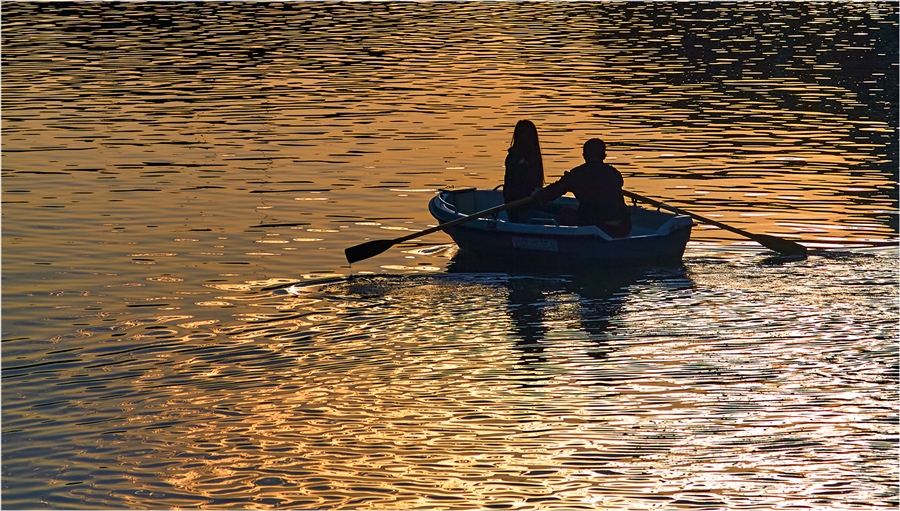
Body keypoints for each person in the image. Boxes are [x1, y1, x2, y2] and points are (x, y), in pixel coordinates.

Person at [533, 138, 631, 238]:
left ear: (584, 156)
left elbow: (554, 191)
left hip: (598, 227)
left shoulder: (577, 175)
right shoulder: (614, 173)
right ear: (604, 156)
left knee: (566, 212)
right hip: (623, 227)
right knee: (572, 208)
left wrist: (539, 194)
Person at [503, 120, 544, 223]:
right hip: (518, 208)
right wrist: (531, 192)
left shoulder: (532, 157)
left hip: (532, 204)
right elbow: (513, 188)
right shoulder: (514, 159)